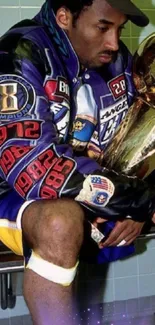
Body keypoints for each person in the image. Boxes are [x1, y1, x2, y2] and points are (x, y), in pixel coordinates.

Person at [0, 0, 154, 323]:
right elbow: (35, 170)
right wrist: (134, 199)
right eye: (103, 28)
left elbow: (135, 151)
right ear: (64, 17)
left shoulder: (115, 63)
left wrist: (142, 200)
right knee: (62, 223)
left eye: (119, 29)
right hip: (11, 193)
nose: (114, 43)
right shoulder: (21, 53)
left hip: (89, 190)